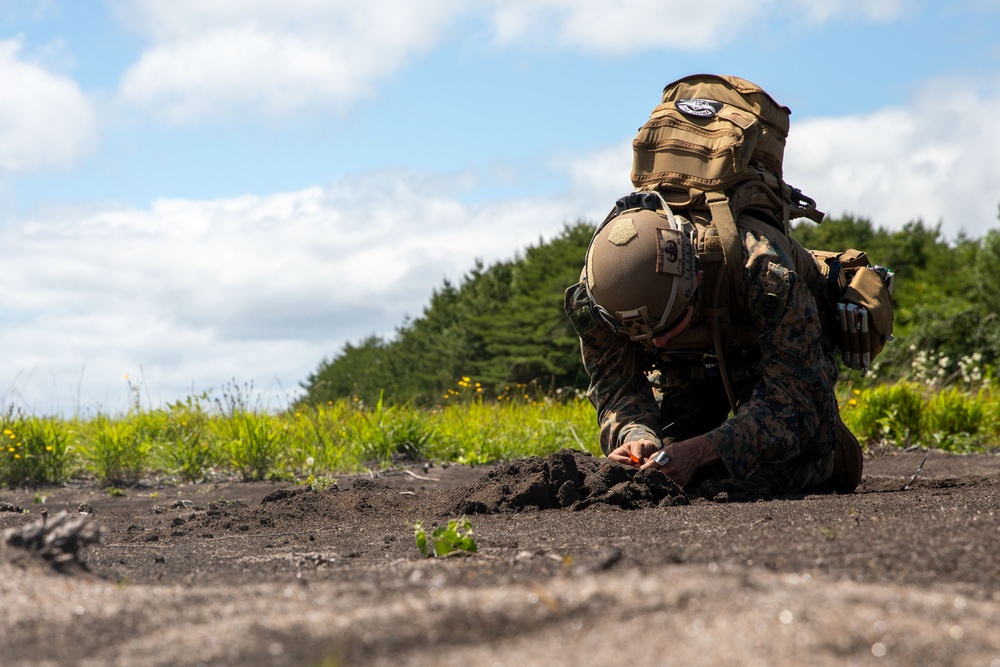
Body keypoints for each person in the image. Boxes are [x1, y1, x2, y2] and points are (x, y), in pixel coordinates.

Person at [564, 78, 865, 495]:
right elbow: (617, 387)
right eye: (646, 336)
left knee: (790, 468)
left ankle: (830, 451)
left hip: (768, 356)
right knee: (661, 469)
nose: (659, 343)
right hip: (689, 370)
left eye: (668, 327)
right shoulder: (598, 292)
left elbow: (797, 397)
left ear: (697, 281)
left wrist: (707, 450)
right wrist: (634, 436)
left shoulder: (763, 269)